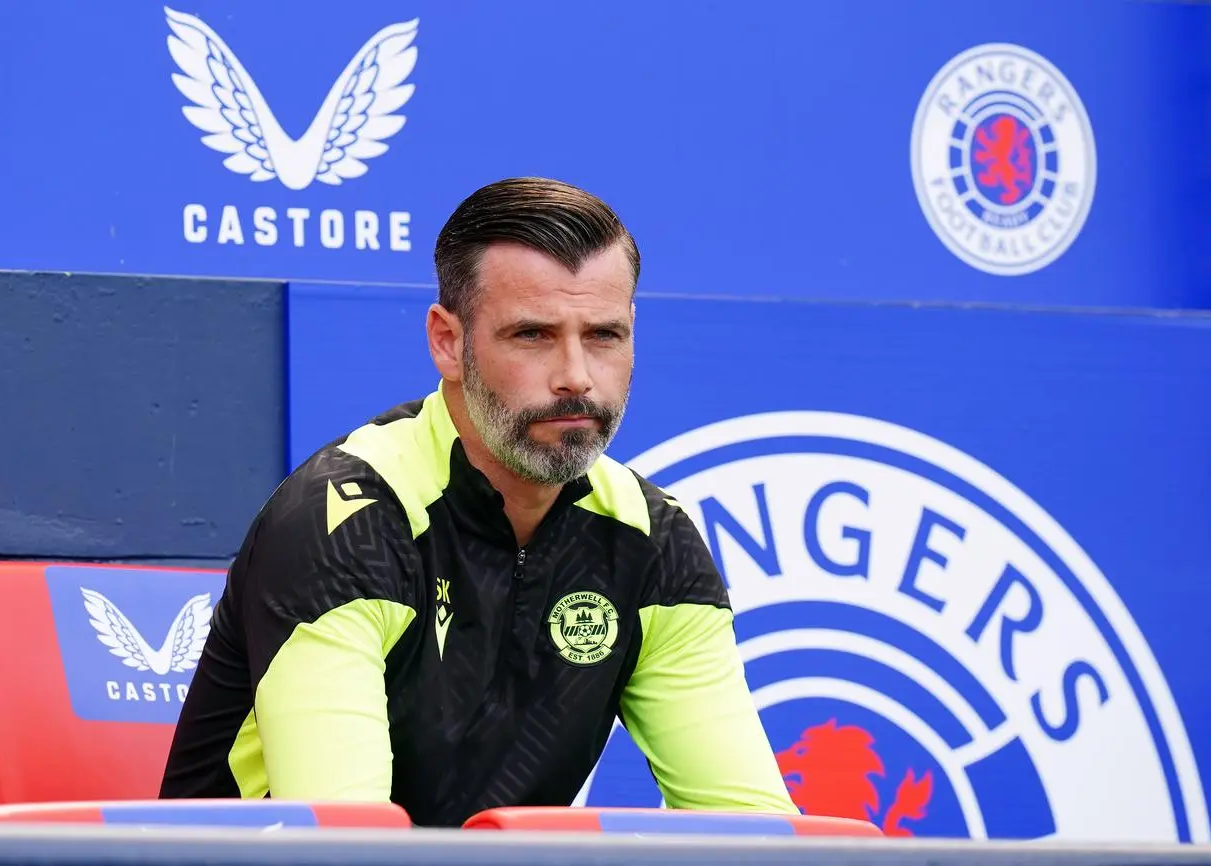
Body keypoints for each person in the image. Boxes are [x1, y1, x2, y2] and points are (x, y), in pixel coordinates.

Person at [158, 177, 798, 826]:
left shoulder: (651, 541)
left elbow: (754, 833)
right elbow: (342, 845)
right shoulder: (345, 522)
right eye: (532, 336)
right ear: (447, 342)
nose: (576, 376)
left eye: (603, 335)